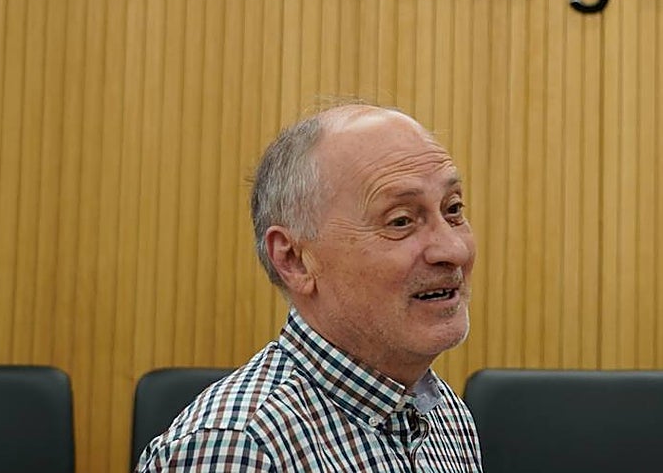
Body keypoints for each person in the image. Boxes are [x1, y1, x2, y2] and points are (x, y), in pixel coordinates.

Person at [136, 102, 481, 472]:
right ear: (295, 260)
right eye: (400, 221)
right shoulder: (238, 447)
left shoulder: (446, 415)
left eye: (453, 209)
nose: (453, 249)